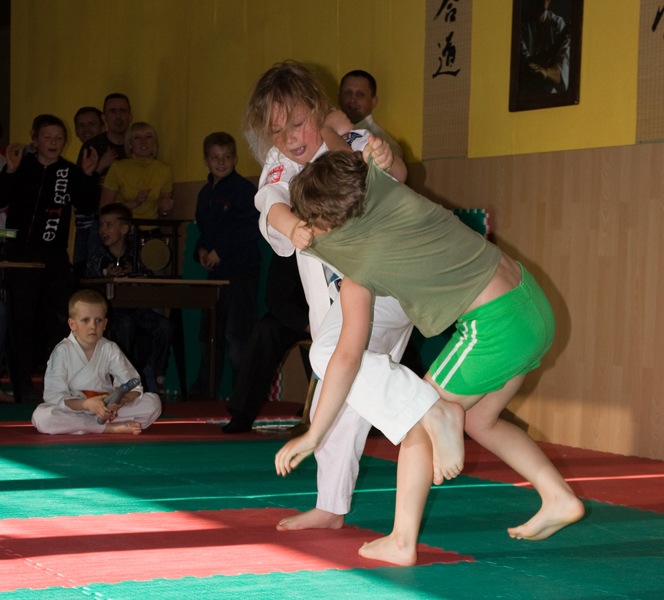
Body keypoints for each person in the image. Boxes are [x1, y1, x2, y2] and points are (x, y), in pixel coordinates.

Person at [275, 147, 585, 565]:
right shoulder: (384, 189)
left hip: (494, 326)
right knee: (481, 419)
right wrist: (374, 153)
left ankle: (402, 540)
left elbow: (346, 358)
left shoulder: (360, 269)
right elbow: (364, 163)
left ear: (330, 226)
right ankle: (558, 496)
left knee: (419, 416)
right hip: (532, 306)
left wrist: (314, 434)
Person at [244, 61, 426, 531]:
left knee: (329, 359)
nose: (291, 138)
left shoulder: (349, 141)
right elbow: (270, 204)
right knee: (338, 401)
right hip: (339, 304)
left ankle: (427, 410)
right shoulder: (280, 163)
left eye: (298, 123)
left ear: (317, 109)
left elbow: (399, 172)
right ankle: (330, 506)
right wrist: (293, 226)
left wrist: (385, 156)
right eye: (278, 131)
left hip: (383, 289)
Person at [0, 114, 99, 401]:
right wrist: (10, 171)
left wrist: (87, 175)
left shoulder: (69, 171)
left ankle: (62, 383)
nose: (53, 143)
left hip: (54, 257)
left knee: (61, 320)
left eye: (59, 138)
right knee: (21, 324)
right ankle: (22, 386)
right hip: (20, 257)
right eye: (47, 137)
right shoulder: (21, 165)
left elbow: (88, 205)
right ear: (34, 139)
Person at [189, 132, 261, 397]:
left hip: (241, 271)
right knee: (209, 335)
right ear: (205, 160)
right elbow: (205, 232)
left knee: (237, 337)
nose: (221, 162)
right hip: (216, 274)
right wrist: (202, 250)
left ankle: (243, 395)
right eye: (215, 157)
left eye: (227, 157)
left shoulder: (244, 190)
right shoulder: (205, 193)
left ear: (236, 159)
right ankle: (205, 393)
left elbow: (251, 228)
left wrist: (221, 251)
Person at [31, 289, 161, 435]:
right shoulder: (62, 351)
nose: (93, 326)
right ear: (72, 324)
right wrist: (86, 404)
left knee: (153, 403)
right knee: (42, 417)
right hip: (76, 409)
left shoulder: (109, 348)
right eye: (85, 320)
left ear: (105, 324)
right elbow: (54, 396)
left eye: (98, 320)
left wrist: (122, 399)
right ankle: (107, 428)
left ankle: (87, 426)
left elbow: (133, 385)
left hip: (107, 410)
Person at [85, 203, 173, 393]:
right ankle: (123, 377)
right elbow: (89, 282)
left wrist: (135, 274)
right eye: (101, 225)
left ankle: (151, 369)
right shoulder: (98, 255)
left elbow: (149, 278)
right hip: (113, 311)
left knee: (164, 327)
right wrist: (106, 274)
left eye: (109, 225)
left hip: (138, 308)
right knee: (125, 326)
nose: (103, 230)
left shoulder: (138, 253)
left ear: (124, 229)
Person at [223, 253, 311, 433]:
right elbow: (275, 300)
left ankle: (322, 406)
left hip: (340, 316)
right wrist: (306, 324)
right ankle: (242, 413)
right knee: (266, 330)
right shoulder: (287, 248)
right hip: (300, 316)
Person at [100, 121, 174, 224]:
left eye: (148, 137)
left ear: (154, 142)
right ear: (130, 144)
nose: (144, 141)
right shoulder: (118, 167)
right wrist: (134, 203)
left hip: (151, 229)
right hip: (123, 230)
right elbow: (104, 210)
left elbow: (162, 211)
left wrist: (166, 210)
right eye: (137, 137)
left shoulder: (164, 169)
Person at [338, 70, 403, 159]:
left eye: (360, 94)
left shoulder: (386, 147)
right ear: (339, 98)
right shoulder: (326, 134)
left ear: (373, 102)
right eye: (347, 92)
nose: (352, 99)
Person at [520, 0, 570, 96]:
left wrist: (546, 72)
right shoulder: (518, 25)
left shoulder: (558, 24)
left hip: (551, 99)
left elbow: (562, 74)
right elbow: (528, 66)